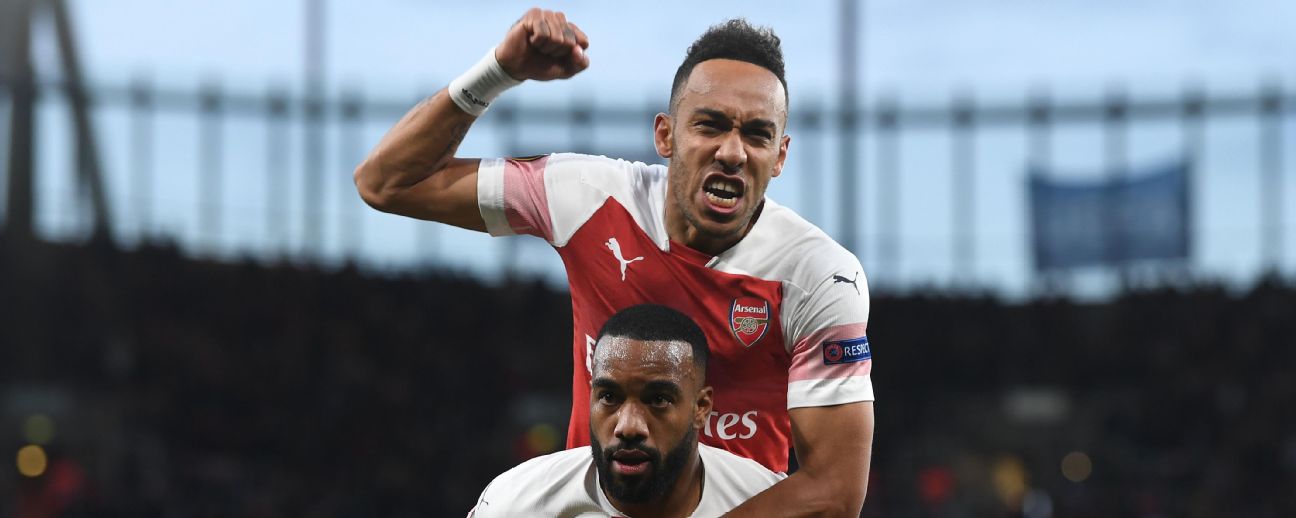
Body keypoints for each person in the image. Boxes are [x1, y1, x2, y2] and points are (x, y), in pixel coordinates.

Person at [356, 8, 874, 514]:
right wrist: (499, 71)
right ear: (665, 135)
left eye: (757, 134)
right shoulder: (588, 198)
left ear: (780, 155)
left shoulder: (817, 276)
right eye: (710, 125)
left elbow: (834, 492)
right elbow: (385, 183)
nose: (732, 152)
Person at [467, 304, 785, 517]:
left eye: (658, 400)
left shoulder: (770, 501)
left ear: (701, 408)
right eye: (609, 397)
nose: (629, 427)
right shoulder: (517, 505)